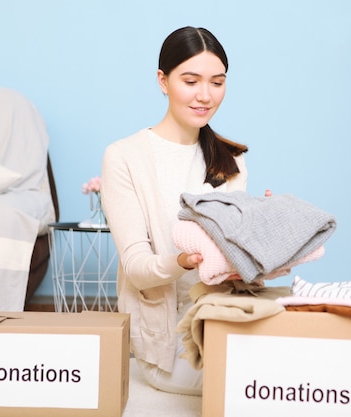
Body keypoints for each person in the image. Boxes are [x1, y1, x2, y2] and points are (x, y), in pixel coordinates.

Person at [100, 26, 248, 396]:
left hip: (224, 323)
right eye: (191, 80)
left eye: (217, 82)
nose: (205, 95)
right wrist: (183, 261)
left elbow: (237, 272)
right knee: (249, 383)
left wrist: (261, 235)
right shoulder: (124, 157)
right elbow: (136, 268)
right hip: (169, 347)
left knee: (297, 361)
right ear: (163, 81)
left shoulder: (231, 161)